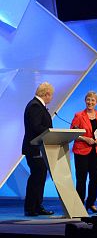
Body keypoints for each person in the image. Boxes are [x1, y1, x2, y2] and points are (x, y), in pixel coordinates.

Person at [71, 91, 97, 213]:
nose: (90, 102)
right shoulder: (79, 115)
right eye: (88, 99)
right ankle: (79, 204)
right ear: (85, 101)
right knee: (81, 178)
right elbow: (72, 133)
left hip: (96, 151)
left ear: (96, 102)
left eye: (92, 100)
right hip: (82, 150)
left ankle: (91, 203)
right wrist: (85, 138)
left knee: (95, 178)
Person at [22, 82, 55, 217]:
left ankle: (36, 206)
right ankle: (31, 207)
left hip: (38, 147)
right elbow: (36, 127)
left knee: (39, 176)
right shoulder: (35, 106)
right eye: (51, 95)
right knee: (36, 177)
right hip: (34, 148)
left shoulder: (37, 105)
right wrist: (50, 133)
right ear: (46, 94)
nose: (51, 98)